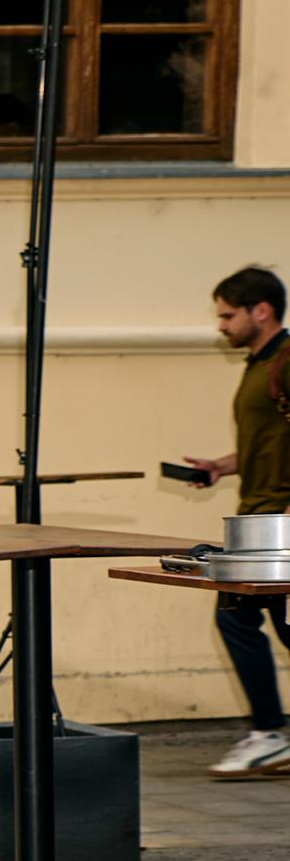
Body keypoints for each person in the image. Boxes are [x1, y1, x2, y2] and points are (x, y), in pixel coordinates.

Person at [188, 264, 289, 778]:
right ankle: (271, 733)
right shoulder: (257, 365)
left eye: (228, 315)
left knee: (237, 616)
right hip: (259, 521)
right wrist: (221, 466)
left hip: (280, 524)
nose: (221, 326)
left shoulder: (288, 360)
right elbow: (269, 444)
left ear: (261, 310)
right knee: (247, 618)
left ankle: (270, 733)